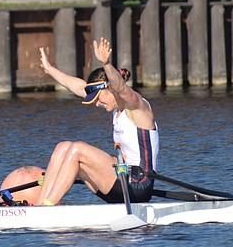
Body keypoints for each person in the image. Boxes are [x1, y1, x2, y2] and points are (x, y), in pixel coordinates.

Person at [33, 37, 159, 206]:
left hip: (139, 185)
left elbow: (121, 88)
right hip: (121, 181)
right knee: (62, 147)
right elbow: (79, 87)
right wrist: (50, 69)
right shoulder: (116, 109)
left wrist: (106, 64)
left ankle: (48, 207)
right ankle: (40, 205)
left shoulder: (138, 108)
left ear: (110, 88)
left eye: (98, 98)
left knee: (77, 149)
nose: (97, 104)